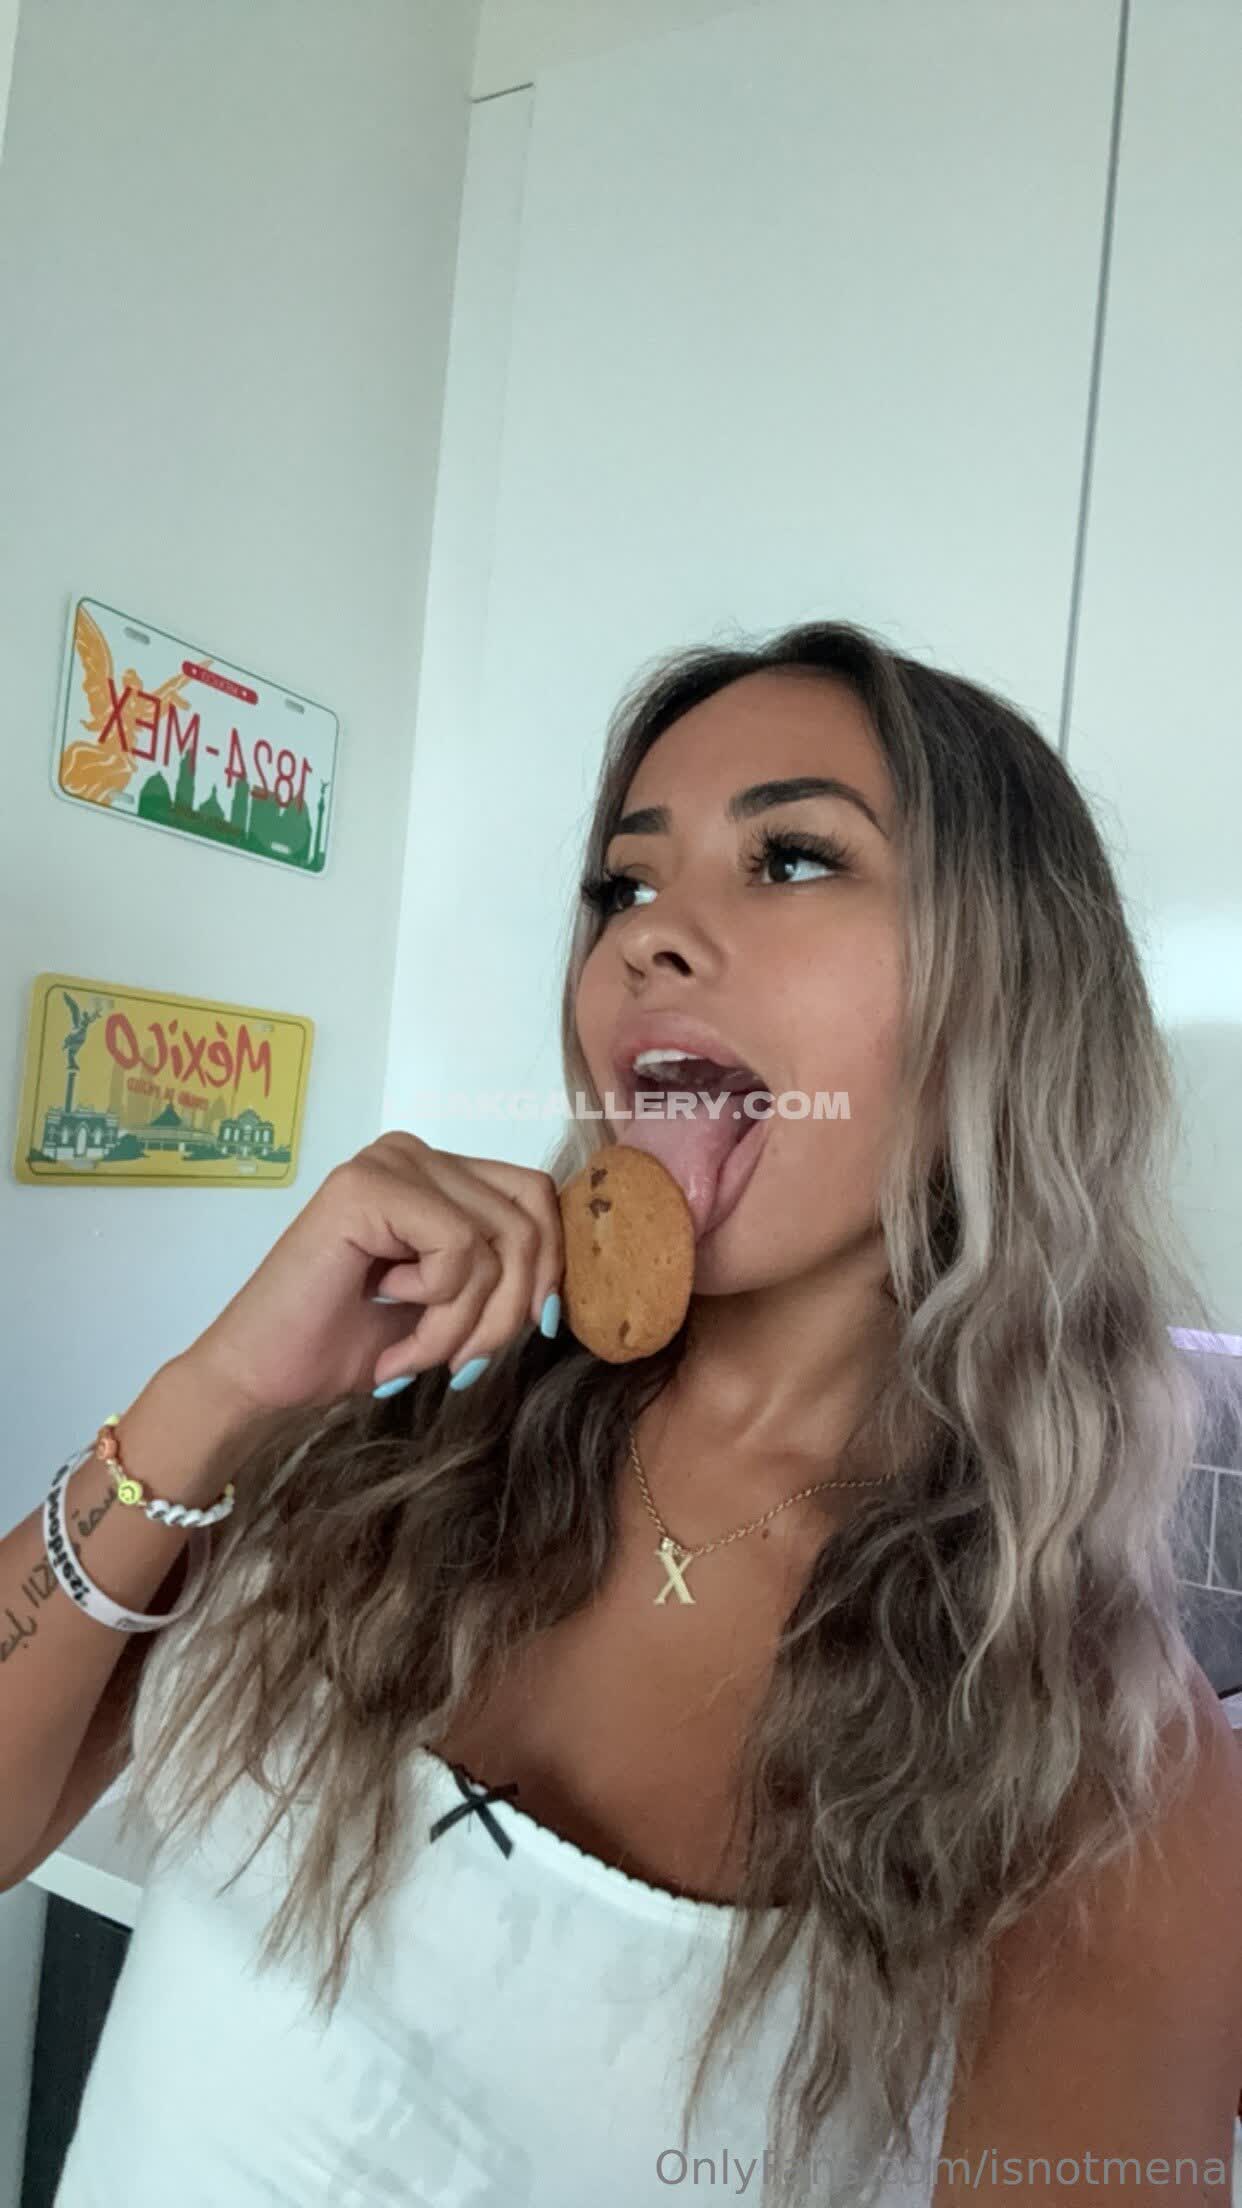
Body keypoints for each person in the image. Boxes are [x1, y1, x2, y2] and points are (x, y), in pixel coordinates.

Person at [3, 618, 1240, 2208]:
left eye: (792, 858)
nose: (649, 938)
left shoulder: (1094, 1771)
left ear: (1010, 995)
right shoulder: (381, 1451)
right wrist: (213, 1396)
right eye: (619, 887)